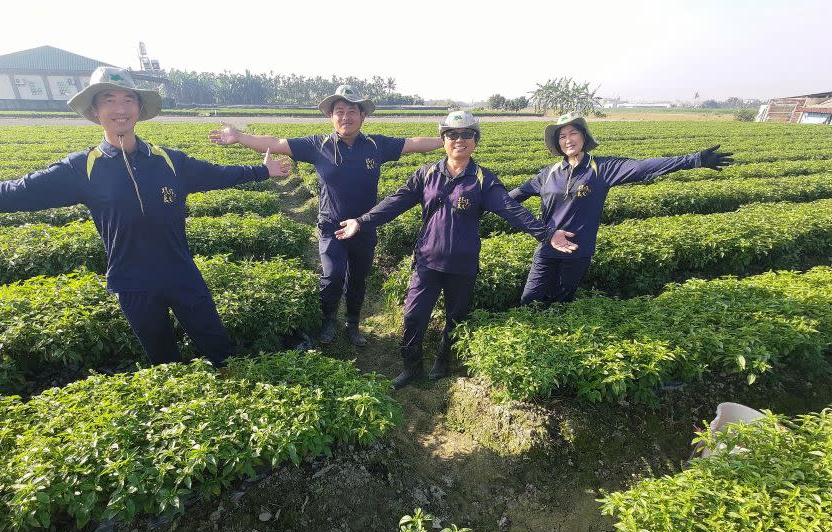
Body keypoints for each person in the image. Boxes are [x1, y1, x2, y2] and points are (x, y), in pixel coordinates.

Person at [0, 66, 291, 367]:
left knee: (219, 348)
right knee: (164, 359)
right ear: (95, 111)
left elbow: (217, 174)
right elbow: (19, 192)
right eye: (109, 99)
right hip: (132, 283)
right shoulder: (82, 168)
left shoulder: (169, 160)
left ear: (138, 108)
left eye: (128, 99)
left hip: (182, 274)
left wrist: (263, 172)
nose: (120, 107)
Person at [336, 111, 577, 388]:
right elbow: (395, 202)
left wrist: (546, 234)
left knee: (456, 317)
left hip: (462, 266)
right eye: (452, 134)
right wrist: (362, 221)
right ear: (443, 139)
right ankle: (411, 368)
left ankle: (443, 360)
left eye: (466, 135)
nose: (459, 140)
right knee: (413, 316)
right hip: (427, 261)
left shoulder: (483, 180)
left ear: (475, 140)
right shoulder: (426, 174)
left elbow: (511, 210)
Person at [209, 85, 443, 347]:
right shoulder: (316, 145)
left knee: (358, 278)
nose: (346, 117)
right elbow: (274, 143)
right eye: (339, 111)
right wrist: (239, 136)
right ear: (331, 117)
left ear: (362, 116)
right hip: (331, 226)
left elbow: (413, 143)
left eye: (352, 111)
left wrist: (446, 139)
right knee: (332, 276)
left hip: (364, 227)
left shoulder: (376, 145)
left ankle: (353, 323)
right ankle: (328, 319)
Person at [509, 111, 733, 306]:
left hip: (578, 252)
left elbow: (642, 167)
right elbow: (513, 198)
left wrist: (694, 160)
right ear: (558, 143)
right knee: (529, 300)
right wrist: (481, 202)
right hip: (547, 249)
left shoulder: (603, 168)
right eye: (562, 136)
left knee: (560, 301)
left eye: (573, 133)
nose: (568, 140)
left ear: (583, 136)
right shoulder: (548, 174)